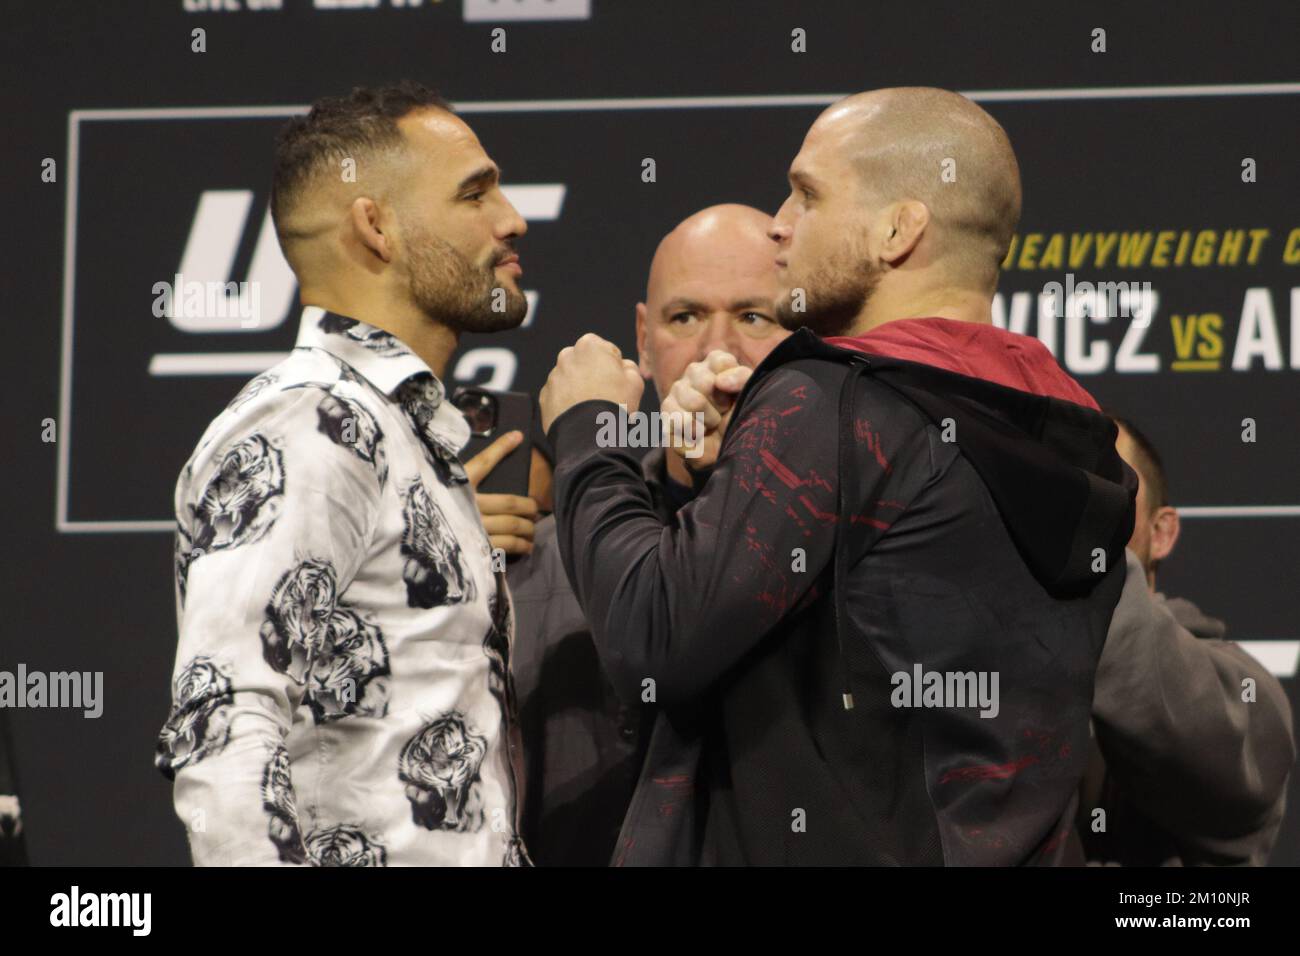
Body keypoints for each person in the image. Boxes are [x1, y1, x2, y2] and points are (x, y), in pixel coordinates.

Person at [539, 87, 1137, 865]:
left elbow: (654, 637)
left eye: (807, 194)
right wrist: (737, 475)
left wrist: (590, 434)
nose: (780, 222)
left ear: (898, 229)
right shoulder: (1073, 429)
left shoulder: (832, 399)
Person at [156, 81, 532, 866]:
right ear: (376, 225)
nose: (512, 219)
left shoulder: (399, 436)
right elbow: (223, 720)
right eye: (475, 193)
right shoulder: (308, 424)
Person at [500, 204, 789, 864]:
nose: (717, 349)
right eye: (684, 318)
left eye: (754, 316)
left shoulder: (840, 549)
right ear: (643, 337)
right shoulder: (542, 566)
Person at [1078, 416, 1295, 865]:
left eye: (1103, 481)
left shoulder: (1245, 694)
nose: (1074, 502)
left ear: (1162, 533)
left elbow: (1181, 727)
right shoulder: (983, 665)